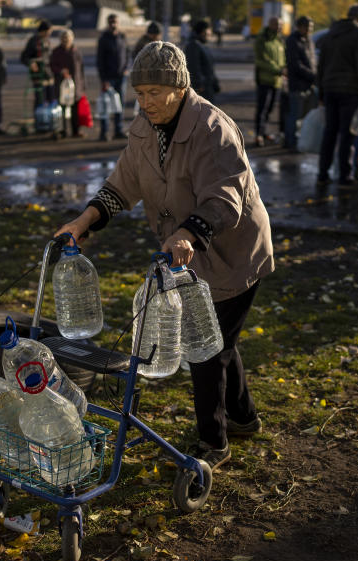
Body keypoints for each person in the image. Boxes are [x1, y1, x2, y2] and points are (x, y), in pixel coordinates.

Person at [54, 42, 274, 471]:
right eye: (139, 93)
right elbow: (121, 187)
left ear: (179, 87)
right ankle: (244, 417)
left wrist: (190, 232)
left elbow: (225, 197)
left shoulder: (213, 128)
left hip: (233, 252)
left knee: (205, 349)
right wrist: (82, 223)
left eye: (155, 91)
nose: (146, 102)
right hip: (185, 255)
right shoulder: (144, 129)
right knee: (219, 340)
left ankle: (213, 443)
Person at [316, 5, 358, 187]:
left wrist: (321, 92)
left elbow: (321, 65)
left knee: (329, 133)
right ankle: (345, 175)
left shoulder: (331, 33)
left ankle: (322, 173)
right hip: (349, 91)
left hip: (330, 89)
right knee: (347, 134)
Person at [283, 15, 315, 151]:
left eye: (311, 27)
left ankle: (295, 140)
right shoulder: (293, 41)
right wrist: (312, 75)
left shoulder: (307, 40)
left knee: (300, 115)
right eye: (307, 27)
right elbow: (295, 65)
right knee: (294, 115)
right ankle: (290, 141)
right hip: (297, 84)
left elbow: (311, 60)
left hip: (307, 83)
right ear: (300, 27)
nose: (309, 30)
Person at [253, 16, 286, 146]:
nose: (279, 27)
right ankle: (258, 135)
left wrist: (284, 69)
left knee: (270, 109)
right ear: (270, 24)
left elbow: (282, 59)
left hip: (277, 81)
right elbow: (261, 60)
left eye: (280, 25)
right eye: (276, 25)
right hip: (265, 80)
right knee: (262, 108)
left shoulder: (279, 40)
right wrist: (278, 70)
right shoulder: (262, 39)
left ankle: (264, 131)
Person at [96, 13, 129, 141]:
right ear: (108, 23)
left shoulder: (122, 36)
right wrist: (103, 79)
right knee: (106, 105)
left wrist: (126, 68)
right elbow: (100, 61)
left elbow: (128, 53)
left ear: (118, 22)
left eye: (115, 22)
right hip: (108, 78)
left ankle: (118, 130)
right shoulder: (103, 39)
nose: (113, 24)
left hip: (121, 77)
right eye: (111, 22)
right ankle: (103, 133)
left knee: (119, 104)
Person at [50, 28, 85, 138]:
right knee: (62, 109)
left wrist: (83, 86)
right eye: (64, 38)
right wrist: (61, 71)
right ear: (60, 39)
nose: (66, 40)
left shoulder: (76, 51)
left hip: (76, 84)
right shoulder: (56, 52)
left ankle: (76, 131)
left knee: (75, 109)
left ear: (72, 39)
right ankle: (62, 131)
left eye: (68, 38)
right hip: (62, 85)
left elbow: (81, 69)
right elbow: (52, 66)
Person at [21, 19, 54, 113]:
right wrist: (31, 63)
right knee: (40, 99)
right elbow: (24, 57)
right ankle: (39, 119)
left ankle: (49, 120)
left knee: (50, 99)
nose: (49, 33)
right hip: (38, 75)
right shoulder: (33, 41)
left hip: (48, 75)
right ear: (43, 30)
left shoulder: (47, 41)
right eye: (48, 31)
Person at [184, 20, 219, 102]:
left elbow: (208, 67)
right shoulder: (193, 45)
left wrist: (214, 82)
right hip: (202, 89)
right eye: (209, 31)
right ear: (203, 31)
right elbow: (193, 67)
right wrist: (198, 85)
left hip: (207, 87)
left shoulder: (200, 44)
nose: (210, 33)